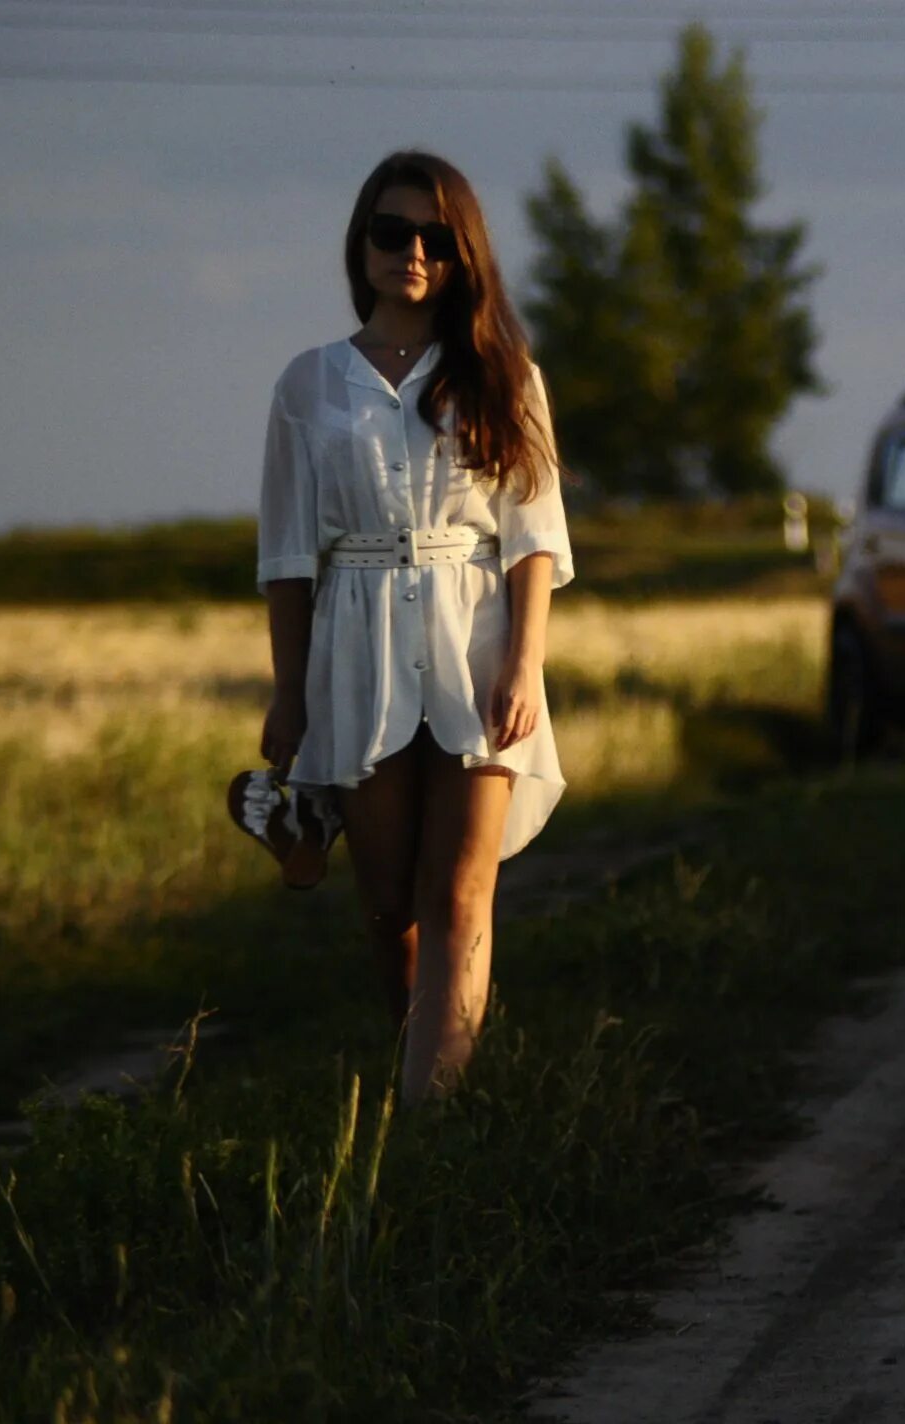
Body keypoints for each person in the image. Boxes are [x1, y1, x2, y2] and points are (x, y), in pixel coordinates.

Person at [256, 150, 574, 1105]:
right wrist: (289, 691)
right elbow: (286, 556)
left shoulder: (503, 375)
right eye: (393, 233)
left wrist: (524, 662)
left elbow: (534, 538)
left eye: (437, 238)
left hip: (473, 643)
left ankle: (431, 1128)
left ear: (462, 252)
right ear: (361, 244)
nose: (414, 253)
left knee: (458, 895)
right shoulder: (308, 386)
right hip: (354, 653)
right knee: (392, 902)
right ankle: (443, 1067)